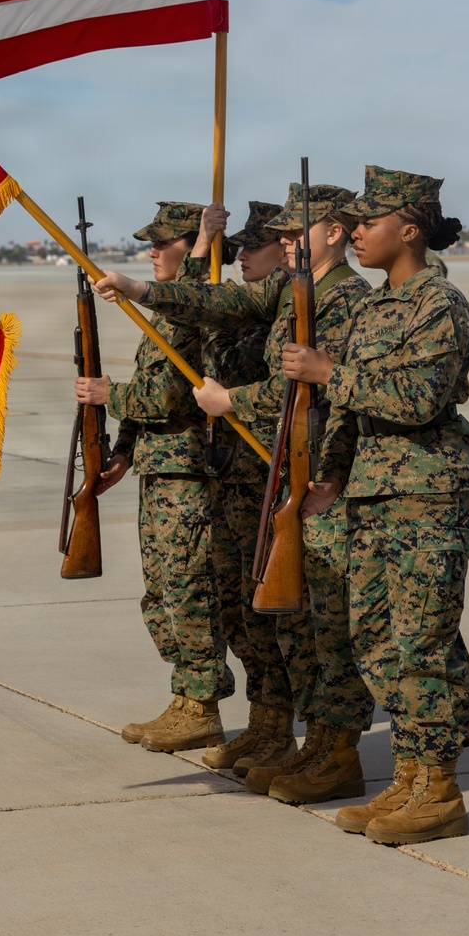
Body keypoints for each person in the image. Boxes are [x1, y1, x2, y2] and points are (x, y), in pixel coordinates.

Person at [93, 185, 376, 801]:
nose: (284, 242)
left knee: (317, 624)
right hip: (271, 475)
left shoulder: (345, 299)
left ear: (333, 231)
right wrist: (144, 289)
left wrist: (231, 404)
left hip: (316, 476)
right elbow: (216, 302)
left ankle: (330, 748)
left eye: (296, 232)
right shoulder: (288, 291)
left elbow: (303, 389)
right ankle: (284, 732)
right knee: (260, 617)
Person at [282, 167, 469, 844]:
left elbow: (419, 398)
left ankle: (440, 786)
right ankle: (406, 773)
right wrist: (328, 475)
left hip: (429, 489)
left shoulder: (439, 303)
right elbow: (346, 405)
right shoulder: (370, 307)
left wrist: (326, 371)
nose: (359, 230)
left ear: (412, 227)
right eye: (357, 219)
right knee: (374, 639)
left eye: (371, 220)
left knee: (423, 640)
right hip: (369, 489)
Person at [75, 202, 232, 752]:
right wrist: (121, 448)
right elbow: (148, 397)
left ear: (189, 247)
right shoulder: (166, 316)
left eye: (161, 242)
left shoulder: (192, 313)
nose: (150, 251)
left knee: (188, 589)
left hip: (187, 472)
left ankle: (201, 704)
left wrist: (107, 395)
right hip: (158, 470)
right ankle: (186, 696)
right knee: (161, 592)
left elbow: (166, 395)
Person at [188, 202, 298, 773]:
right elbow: (196, 308)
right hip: (230, 478)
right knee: (237, 613)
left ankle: (280, 728)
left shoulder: (279, 303)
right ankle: (264, 723)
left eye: (252, 246)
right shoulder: (248, 302)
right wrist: (205, 247)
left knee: (269, 616)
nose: (241, 255)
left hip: (264, 480)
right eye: (238, 247)